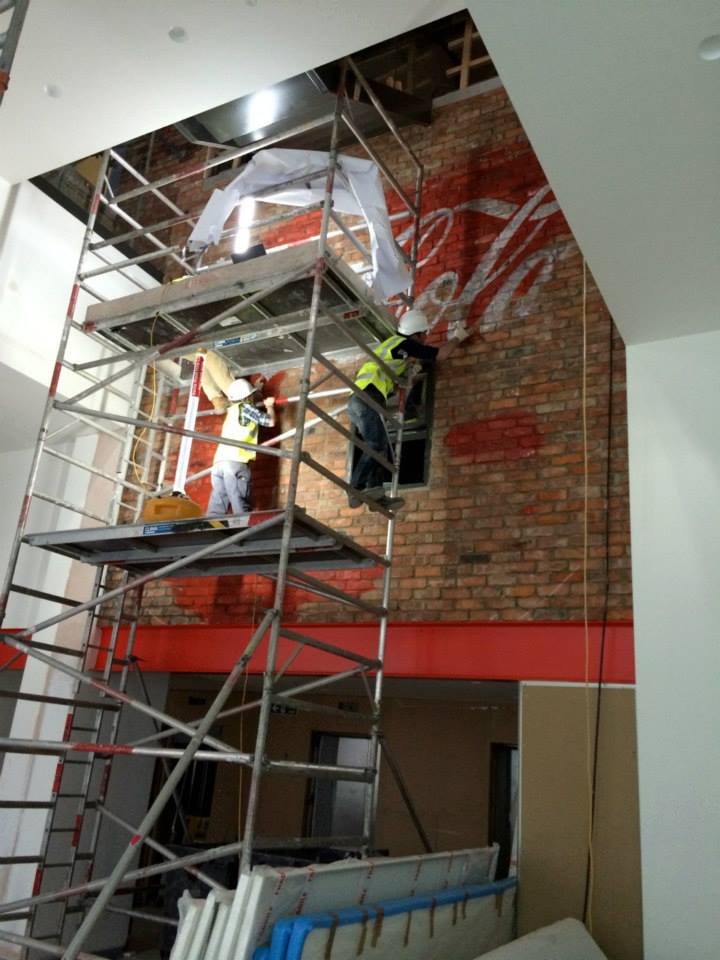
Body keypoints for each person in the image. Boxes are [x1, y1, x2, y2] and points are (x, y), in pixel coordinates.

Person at [347, 309, 469, 509]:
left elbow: (391, 383)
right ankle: (355, 488)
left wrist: (407, 374)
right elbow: (441, 355)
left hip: (361, 399)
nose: (425, 338)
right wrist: (457, 338)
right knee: (376, 445)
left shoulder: (394, 347)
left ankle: (375, 493)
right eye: (424, 335)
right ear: (418, 333)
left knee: (381, 446)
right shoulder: (404, 344)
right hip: (367, 397)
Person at [207, 377, 275, 516]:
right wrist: (269, 406)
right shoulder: (246, 408)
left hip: (219, 464)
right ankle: (245, 532)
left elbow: (249, 407)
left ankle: (210, 532)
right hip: (236, 462)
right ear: (248, 396)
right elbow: (270, 422)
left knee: (217, 506)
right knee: (240, 505)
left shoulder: (232, 410)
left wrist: (257, 390)